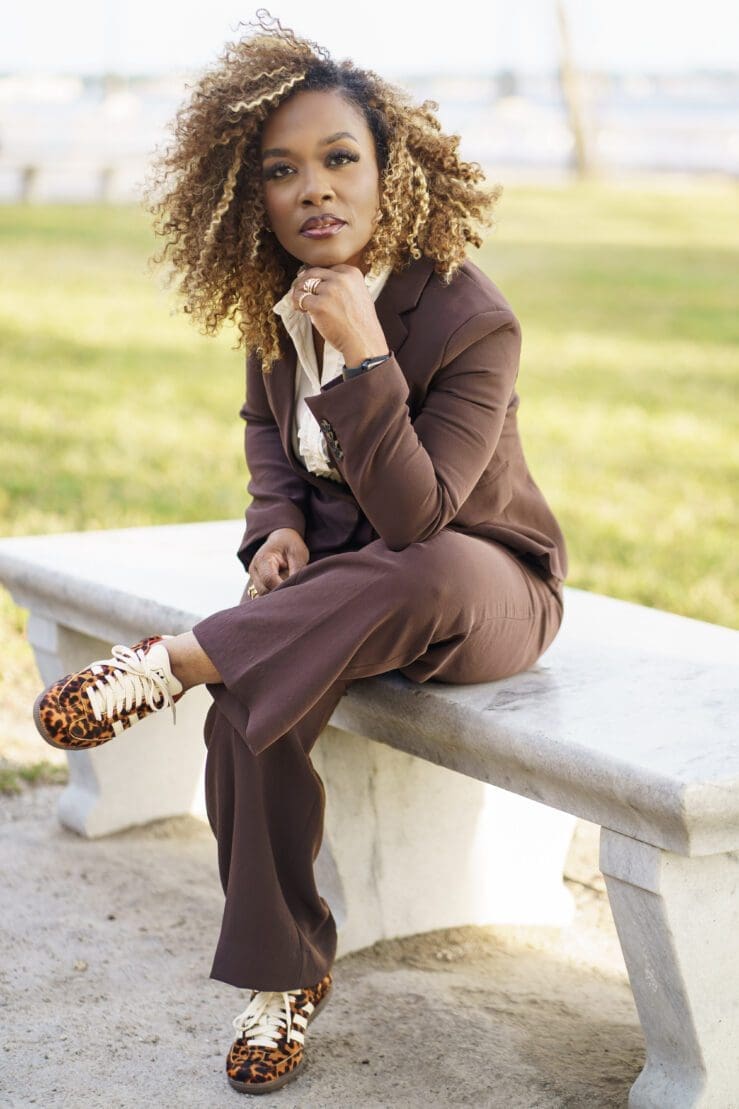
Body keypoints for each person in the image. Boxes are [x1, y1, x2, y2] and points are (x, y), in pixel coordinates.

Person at [32, 10, 568, 1097]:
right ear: (252, 197)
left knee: (411, 572)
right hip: (334, 589)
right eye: (282, 171)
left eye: (339, 159)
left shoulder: (468, 317)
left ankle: (174, 660)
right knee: (249, 706)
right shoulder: (274, 307)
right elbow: (269, 441)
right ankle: (281, 977)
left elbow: (419, 516)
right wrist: (274, 528)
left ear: (388, 171)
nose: (314, 190)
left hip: (479, 584)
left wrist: (366, 356)